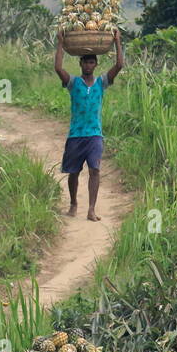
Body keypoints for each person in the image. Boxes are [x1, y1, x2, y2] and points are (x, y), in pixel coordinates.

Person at [54, 28, 124, 221]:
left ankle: (91, 209)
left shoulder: (102, 83)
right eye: (85, 61)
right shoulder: (73, 83)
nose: (88, 65)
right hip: (76, 135)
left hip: (94, 134)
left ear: (95, 64)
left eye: (91, 62)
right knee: (74, 173)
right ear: (80, 63)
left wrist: (117, 41)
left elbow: (119, 65)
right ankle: (73, 203)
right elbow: (58, 68)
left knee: (95, 170)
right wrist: (60, 42)